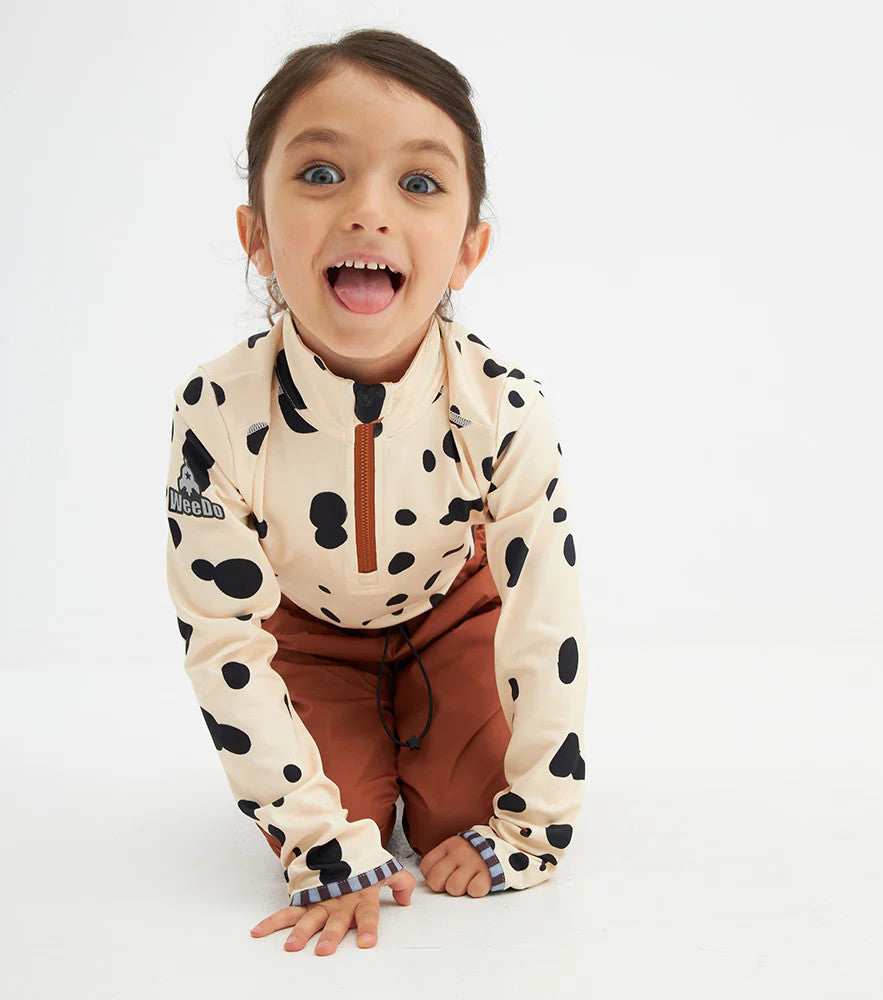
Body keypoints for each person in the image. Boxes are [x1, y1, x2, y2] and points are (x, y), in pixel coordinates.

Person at [164, 28, 588, 956]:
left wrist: (539, 821)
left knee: (463, 822)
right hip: (306, 641)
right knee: (338, 830)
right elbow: (222, 640)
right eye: (321, 174)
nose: (368, 211)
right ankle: (360, 745)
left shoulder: (506, 409)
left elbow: (543, 619)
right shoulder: (217, 412)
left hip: (450, 614)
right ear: (258, 237)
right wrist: (318, 837)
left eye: (420, 183)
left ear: (469, 251)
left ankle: (423, 728)